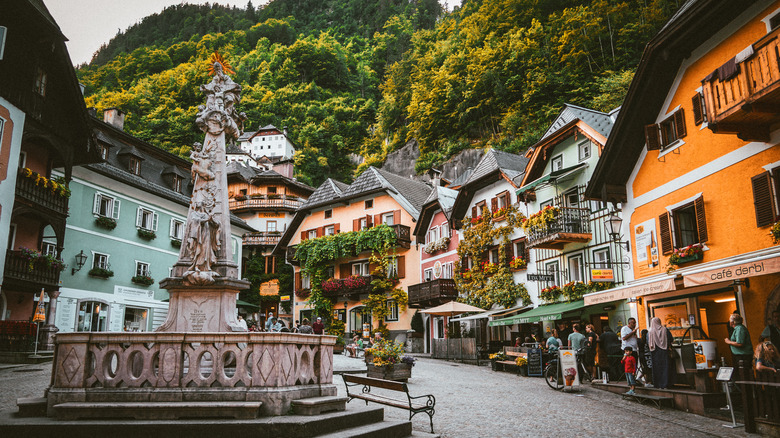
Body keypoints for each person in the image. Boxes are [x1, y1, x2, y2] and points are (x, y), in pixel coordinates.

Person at [647, 317, 674, 389]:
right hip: (664, 351)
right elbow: (671, 339)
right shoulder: (665, 330)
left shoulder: (650, 331)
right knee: (665, 367)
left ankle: (657, 384)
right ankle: (666, 384)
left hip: (654, 352)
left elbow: (648, 343)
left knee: (656, 368)